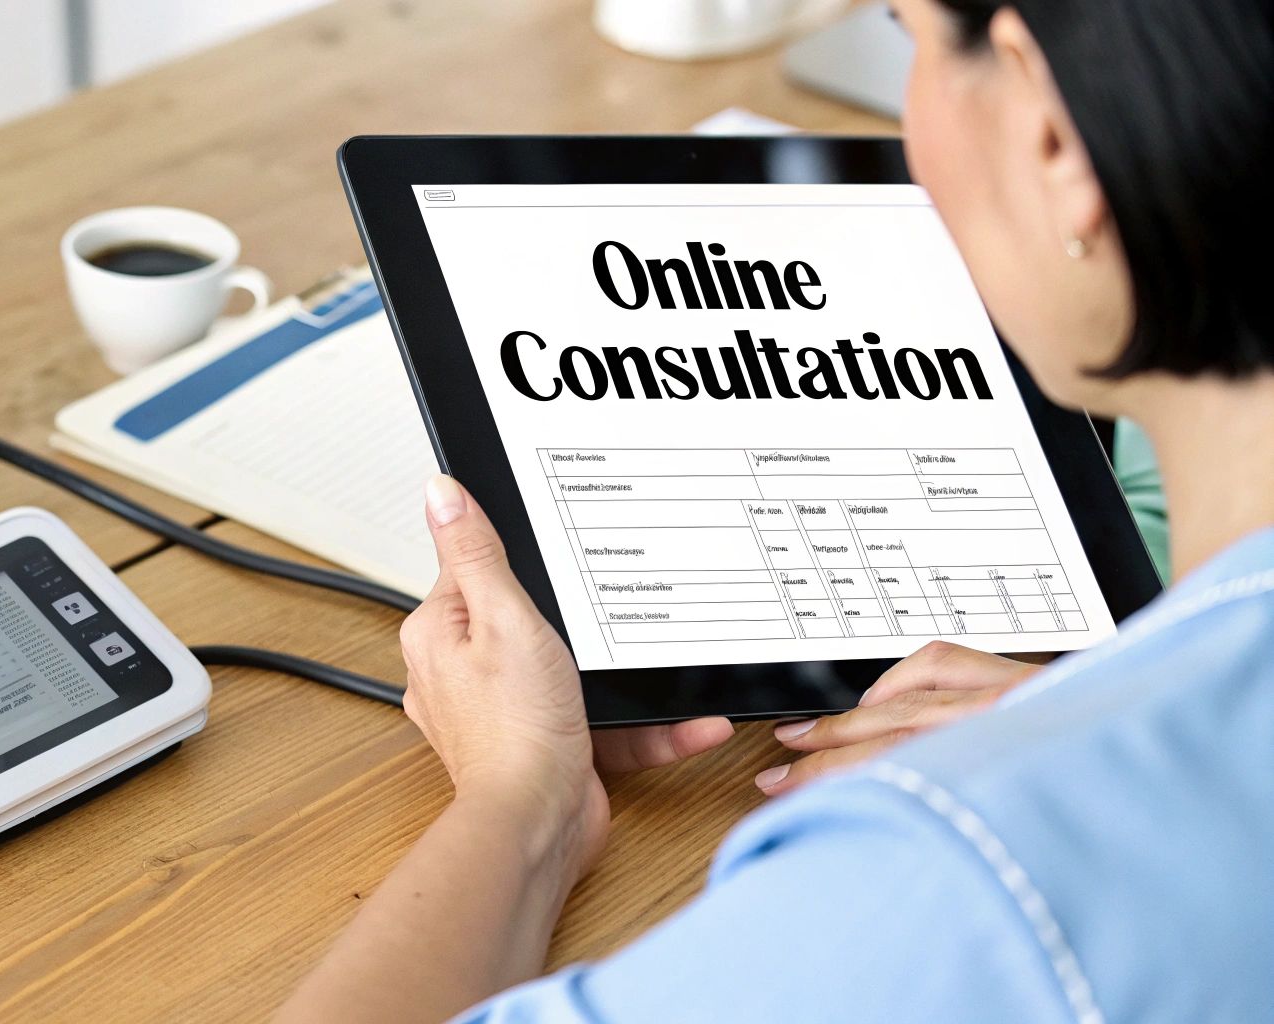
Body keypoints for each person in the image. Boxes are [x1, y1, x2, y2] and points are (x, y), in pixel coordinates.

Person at [278, 0, 1274, 1019]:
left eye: (909, 38)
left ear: (1047, 129)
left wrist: (516, 797)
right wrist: (1097, 706)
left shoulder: (957, 873)